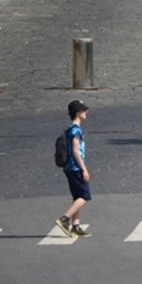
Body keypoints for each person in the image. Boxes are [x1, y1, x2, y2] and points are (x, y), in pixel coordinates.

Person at [55, 100, 93, 237]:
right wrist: (84, 169)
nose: (86, 112)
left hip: (69, 168)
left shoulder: (70, 129)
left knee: (77, 196)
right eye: (84, 110)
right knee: (84, 196)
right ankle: (64, 219)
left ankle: (76, 226)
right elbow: (76, 151)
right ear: (78, 113)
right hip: (75, 167)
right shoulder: (76, 130)